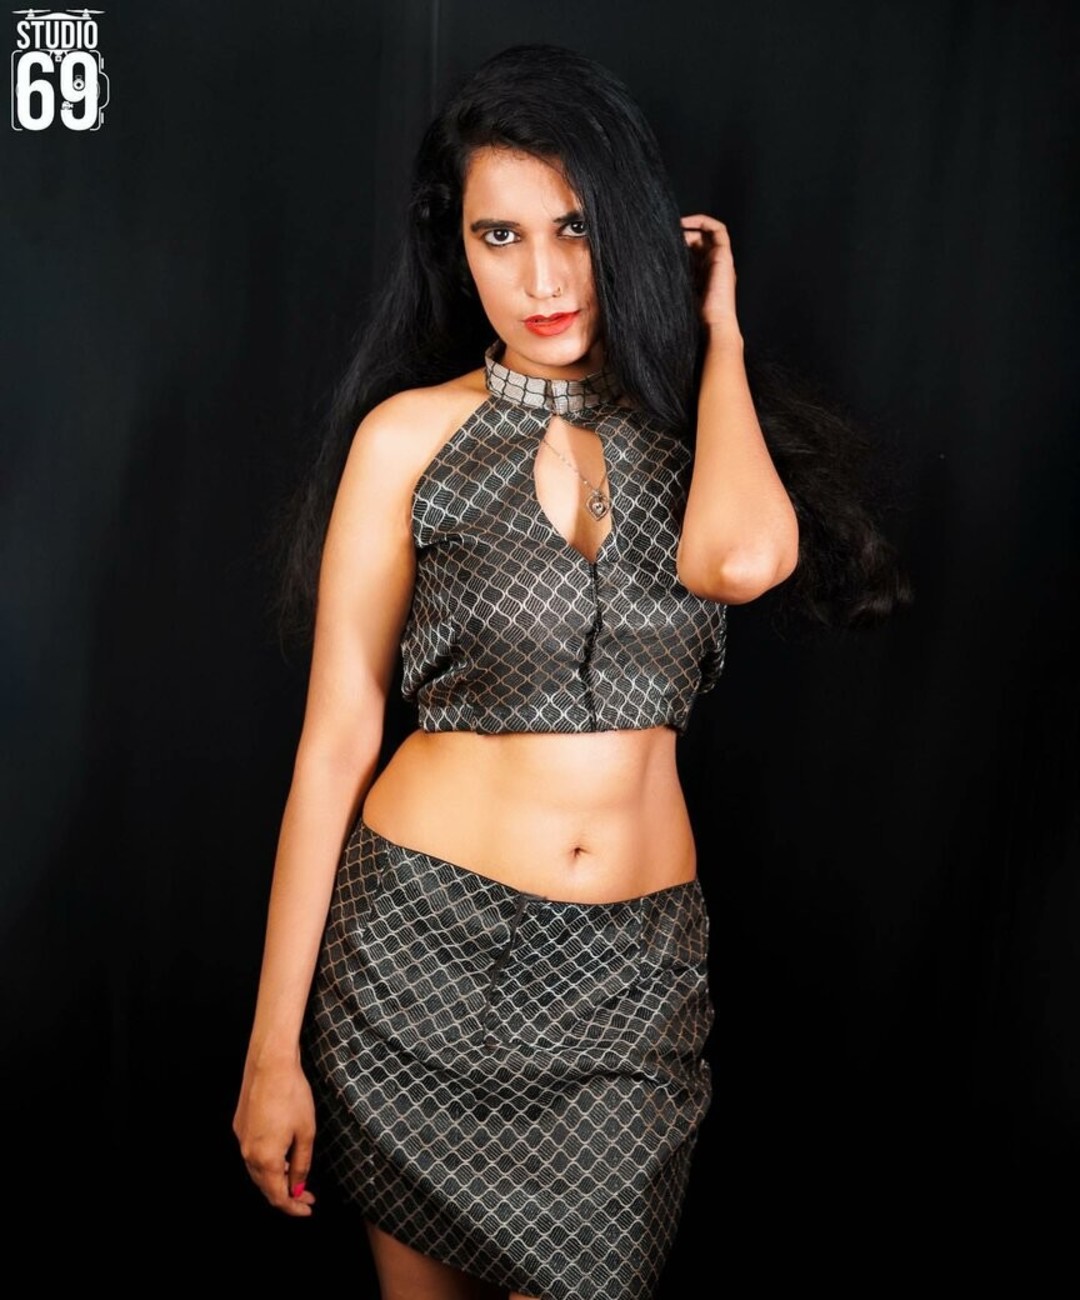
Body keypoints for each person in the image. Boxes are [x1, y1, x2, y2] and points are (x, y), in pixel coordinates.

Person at [233, 42, 910, 1300]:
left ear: (634, 231)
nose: (541, 278)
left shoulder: (698, 439)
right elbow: (336, 742)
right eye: (499, 236)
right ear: (457, 248)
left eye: (577, 228)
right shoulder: (407, 440)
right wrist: (271, 1050)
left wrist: (717, 337)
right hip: (417, 962)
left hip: (624, 1000)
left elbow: (744, 559)